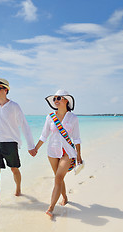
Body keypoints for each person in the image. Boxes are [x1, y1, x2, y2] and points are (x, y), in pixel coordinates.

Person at [0, 78, 36, 209]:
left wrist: (31, 146)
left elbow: (24, 125)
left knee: (14, 169)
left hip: (11, 142)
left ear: (6, 90)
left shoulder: (14, 106)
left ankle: (18, 188)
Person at [34, 89, 82, 218]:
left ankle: (50, 208)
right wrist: (35, 148)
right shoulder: (50, 117)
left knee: (58, 178)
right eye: (54, 99)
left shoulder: (73, 118)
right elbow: (44, 136)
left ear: (66, 100)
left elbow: (76, 138)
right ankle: (65, 197)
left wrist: (79, 155)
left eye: (58, 98)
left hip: (67, 153)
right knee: (58, 178)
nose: (55, 101)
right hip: (52, 151)